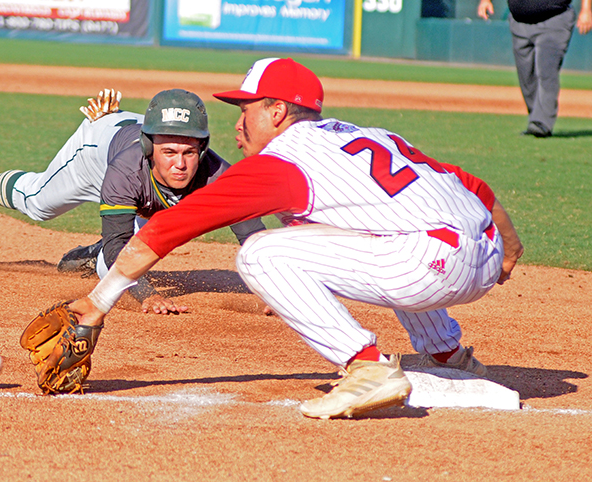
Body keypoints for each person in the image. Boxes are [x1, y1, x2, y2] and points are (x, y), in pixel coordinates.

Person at [54, 58, 525, 420]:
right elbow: (471, 185)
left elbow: (166, 229)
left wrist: (98, 302)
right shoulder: (367, 136)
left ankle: (367, 367)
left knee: (258, 255)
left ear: (277, 111)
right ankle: (449, 354)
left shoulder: (283, 161)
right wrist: (510, 248)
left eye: (246, 110)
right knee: (379, 228)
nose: (237, 125)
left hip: (428, 266)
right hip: (483, 249)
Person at [0, 88, 264, 314]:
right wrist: (146, 295)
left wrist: (270, 288)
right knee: (39, 204)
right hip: (97, 150)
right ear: (151, 149)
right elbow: (118, 250)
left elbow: (252, 235)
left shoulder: (218, 174)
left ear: (202, 149)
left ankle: (90, 257)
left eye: (189, 151)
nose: (180, 163)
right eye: (169, 152)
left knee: (143, 240)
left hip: (140, 149)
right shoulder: (125, 171)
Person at [478, 0, 592, 137]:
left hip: (554, 18)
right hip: (519, 21)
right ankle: (536, 118)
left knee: (547, 71)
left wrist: (586, 10)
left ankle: (541, 123)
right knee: (526, 74)